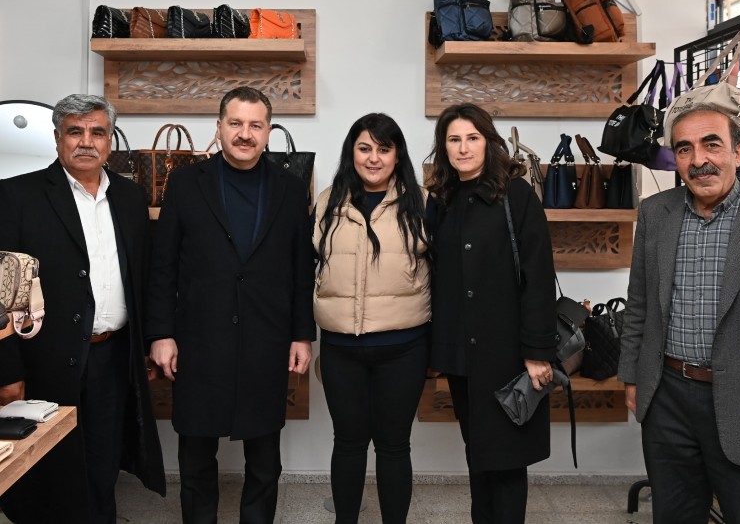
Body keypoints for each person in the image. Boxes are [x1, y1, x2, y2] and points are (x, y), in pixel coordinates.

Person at [618, 103, 740, 524]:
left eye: (711, 144)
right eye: (684, 149)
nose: (698, 159)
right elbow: (639, 303)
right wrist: (632, 376)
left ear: (738, 151)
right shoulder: (655, 213)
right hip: (667, 398)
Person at [147, 86, 316, 524]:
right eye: (236, 123)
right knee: (196, 458)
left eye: (255, 125)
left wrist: (302, 334)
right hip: (199, 340)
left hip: (266, 340)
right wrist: (161, 333)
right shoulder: (186, 183)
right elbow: (163, 266)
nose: (245, 134)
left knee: (265, 461)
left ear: (269, 131)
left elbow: (301, 268)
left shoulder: (290, 188)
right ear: (219, 127)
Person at [0, 94, 165, 524]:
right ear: (58, 138)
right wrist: (7, 370)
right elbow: (1, 295)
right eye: (75, 131)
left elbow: (143, 276)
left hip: (113, 357)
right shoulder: (16, 195)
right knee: (47, 475)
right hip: (45, 361)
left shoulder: (129, 197)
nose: (86, 142)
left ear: (110, 141)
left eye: (97, 132)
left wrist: (145, 346)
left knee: (102, 469)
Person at [425, 103, 558, 524]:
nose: (463, 148)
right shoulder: (441, 200)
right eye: (454, 139)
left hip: (508, 353)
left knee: (506, 461)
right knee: (478, 455)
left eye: (472, 138)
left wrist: (537, 351)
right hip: (461, 354)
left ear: (489, 142)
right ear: (444, 147)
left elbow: (539, 276)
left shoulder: (515, 195)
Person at [313, 113, 431, 524]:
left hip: (404, 348)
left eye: (384, 149)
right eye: (364, 148)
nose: (373, 158)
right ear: (352, 153)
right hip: (340, 347)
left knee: (394, 446)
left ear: (398, 155)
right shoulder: (327, 201)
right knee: (347, 443)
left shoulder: (423, 202)